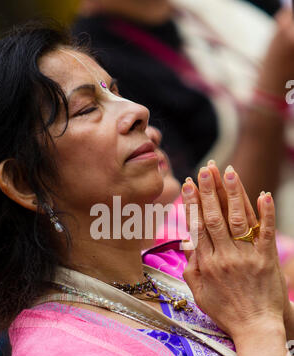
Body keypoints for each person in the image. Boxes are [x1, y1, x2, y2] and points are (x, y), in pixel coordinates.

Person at [0, 23, 294, 356]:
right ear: (24, 183)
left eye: (115, 91)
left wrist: (274, 308)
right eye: (85, 109)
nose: (137, 110)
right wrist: (258, 326)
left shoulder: (175, 266)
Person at [72, 0, 294, 235]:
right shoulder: (96, 59)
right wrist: (271, 93)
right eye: (86, 110)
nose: (140, 116)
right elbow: (203, 225)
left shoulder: (218, 10)